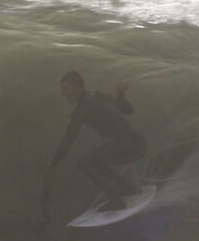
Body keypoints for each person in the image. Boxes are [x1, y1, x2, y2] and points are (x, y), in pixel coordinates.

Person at [44, 71, 146, 212]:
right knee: (96, 161)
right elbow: (128, 110)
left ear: (78, 87)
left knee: (85, 163)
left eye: (66, 89)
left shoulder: (82, 109)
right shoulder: (97, 96)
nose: (64, 93)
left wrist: (53, 163)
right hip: (135, 141)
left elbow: (68, 139)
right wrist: (120, 96)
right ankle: (129, 188)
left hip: (129, 144)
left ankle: (116, 200)